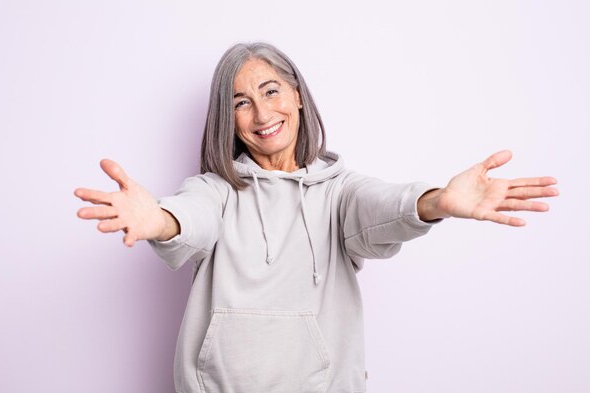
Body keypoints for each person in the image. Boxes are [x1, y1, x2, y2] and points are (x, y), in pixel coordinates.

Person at [74, 42, 558, 393]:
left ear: (298, 96)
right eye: (241, 102)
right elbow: (188, 218)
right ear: (229, 120)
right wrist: (158, 219)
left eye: (271, 91)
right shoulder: (216, 191)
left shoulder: (340, 192)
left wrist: (434, 203)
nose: (261, 113)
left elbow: (382, 206)